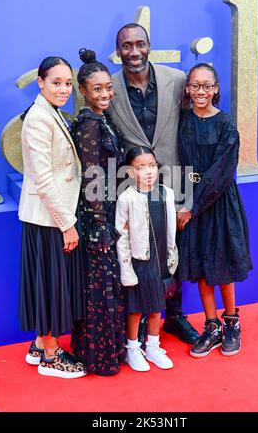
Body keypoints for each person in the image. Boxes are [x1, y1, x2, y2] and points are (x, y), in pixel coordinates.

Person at [107, 23, 199, 345]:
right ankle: (138, 323)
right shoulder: (108, 87)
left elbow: (190, 129)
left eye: (139, 44)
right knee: (135, 253)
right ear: (117, 51)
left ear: (149, 45)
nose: (134, 52)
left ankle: (172, 317)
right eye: (126, 46)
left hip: (172, 180)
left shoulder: (176, 80)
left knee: (171, 250)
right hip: (129, 186)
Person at [177, 62, 253, 357]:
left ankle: (231, 322)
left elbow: (223, 170)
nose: (200, 91)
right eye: (195, 85)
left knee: (221, 268)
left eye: (207, 86)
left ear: (216, 89)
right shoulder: (183, 120)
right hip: (190, 200)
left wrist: (193, 207)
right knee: (201, 268)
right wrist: (184, 202)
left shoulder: (225, 123)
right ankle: (211, 327)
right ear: (188, 88)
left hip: (218, 202)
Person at [18, 56, 86, 378]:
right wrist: (68, 224)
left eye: (68, 83)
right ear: (40, 83)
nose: (63, 89)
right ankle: (50, 354)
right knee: (49, 285)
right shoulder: (38, 118)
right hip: (48, 219)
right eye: (56, 82)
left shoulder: (50, 113)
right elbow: (44, 179)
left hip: (52, 216)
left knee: (47, 284)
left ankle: (38, 344)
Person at [70, 49, 125, 375]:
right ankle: (98, 358)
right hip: (96, 217)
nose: (104, 94)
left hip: (106, 211)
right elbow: (91, 174)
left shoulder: (99, 118)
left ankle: (107, 352)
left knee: (106, 284)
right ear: (83, 91)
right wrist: (99, 223)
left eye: (108, 87)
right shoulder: (89, 124)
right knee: (99, 286)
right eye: (97, 89)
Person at [116, 146, 178, 371]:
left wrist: (172, 256)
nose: (148, 171)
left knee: (156, 306)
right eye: (141, 168)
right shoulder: (126, 198)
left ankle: (153, 346)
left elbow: (171, 229)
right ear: (131, 172)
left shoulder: (167, 193)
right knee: (136, 307)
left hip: (160, 259)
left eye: (151, 165)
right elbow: (121, 236)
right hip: (139, 263)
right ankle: (132, 348)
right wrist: (126, 269)